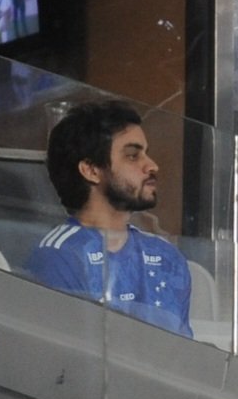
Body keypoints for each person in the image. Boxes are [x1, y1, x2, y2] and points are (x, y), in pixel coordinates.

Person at [23, 100, 193, 338]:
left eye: (146, 153)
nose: (152, 165)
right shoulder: (62, 255)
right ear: (91, 170)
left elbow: (184, 357)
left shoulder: (167, 256)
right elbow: (69, 362)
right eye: (133, 156)